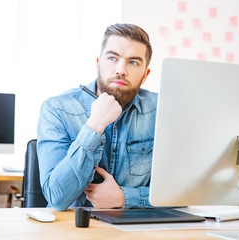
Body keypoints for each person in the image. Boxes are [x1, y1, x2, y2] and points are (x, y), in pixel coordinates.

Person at [37, 23, 157, 211]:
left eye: (133, 62)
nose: (121, 70)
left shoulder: (160, 110)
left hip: (137, 229)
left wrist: (125, 198)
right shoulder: (56, 109)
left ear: (145, 75)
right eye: (112, 58)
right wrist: (94, 126)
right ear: (98, 64)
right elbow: (57, 198)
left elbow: (183, 191)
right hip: (73, 229)